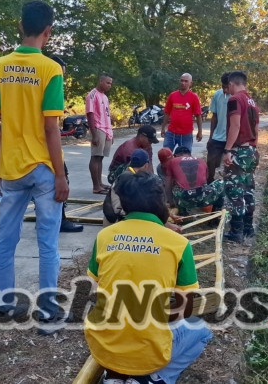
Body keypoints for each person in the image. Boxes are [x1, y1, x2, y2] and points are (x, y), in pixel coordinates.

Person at [0, 0, 70, 335]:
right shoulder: (51, 70)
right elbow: (51, 128)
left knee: (5, 239)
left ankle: (5, 306)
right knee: (47, 241)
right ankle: (48, 315)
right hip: (43, 169)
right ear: (48, 32)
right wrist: (61, 174)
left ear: (20, 26)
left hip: (10, 168)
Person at [85, 171, 212, 384]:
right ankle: (154, 379)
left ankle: (113, 377)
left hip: (102, 349)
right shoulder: (178, 244)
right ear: (161, 203)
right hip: (149, 355)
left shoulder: (104, 236)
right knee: (201, 330)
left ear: (124, 205)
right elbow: (184, 310)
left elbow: (97, 292)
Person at [222, 71, 260, 243]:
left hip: (239, 150)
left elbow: (235, 125)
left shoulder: (235, 100)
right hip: (251, 150)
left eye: (227, 86)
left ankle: (236, 231)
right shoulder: (252, 102)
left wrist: (228, 150)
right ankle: (248, 228)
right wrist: (253, 148)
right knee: (248, 189)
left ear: (231, 84)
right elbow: (256, 129)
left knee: (234, 190)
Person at [50, 55, 84, 233]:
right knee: (60, 180)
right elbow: (50, 128)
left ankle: (52, 218)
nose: (61, 79)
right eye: (61, 74)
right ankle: (60, 220)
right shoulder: (49, 86)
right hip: (44, 147)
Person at [165, 146, 224, 216]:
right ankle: (215, 216)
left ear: (175, 156)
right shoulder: (201, 161)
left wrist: (171, 202)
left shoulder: (172, 161)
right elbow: (205, 180)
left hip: (184, 199)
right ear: (190, 154)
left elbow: (167, 185)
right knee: (221, 183)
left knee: (174, 183)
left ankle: (182, 213)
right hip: (203, 198)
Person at [161, 73, 203, 152]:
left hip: (186, 134)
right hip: (171, 133)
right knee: (165, 155)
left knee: (185, 159)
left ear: (191, 83)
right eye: (182, 81)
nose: (183, 83)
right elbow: (167, 113)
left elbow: (198, 115)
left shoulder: (194, 97)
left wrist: (200, 131)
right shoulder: (172, 95)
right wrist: (163, 128)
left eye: (186, 81)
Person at [86, 74, 114, 194]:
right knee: (95, 157)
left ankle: (100, 183)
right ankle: (96, 186)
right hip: (98, 129)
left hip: (106, 129)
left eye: (111, 83)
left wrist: (111, 132)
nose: (109, 85)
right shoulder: (92, 95)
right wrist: (94, 134)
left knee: (101, 157)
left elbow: (107, 115)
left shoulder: (105, 97)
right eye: (108, 83)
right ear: (101, 81)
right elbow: (90, 114)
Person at [206, 73, 230, 183]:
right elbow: (214, 117)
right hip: (218, 136)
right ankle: (209, 183)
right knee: (211, 162)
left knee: (230, 165)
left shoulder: (238, 98)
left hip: (232, 138)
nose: (225, 89)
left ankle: (228, 186)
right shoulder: (217, 95)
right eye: (223, 86)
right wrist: (211, 137)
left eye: (227, 87)